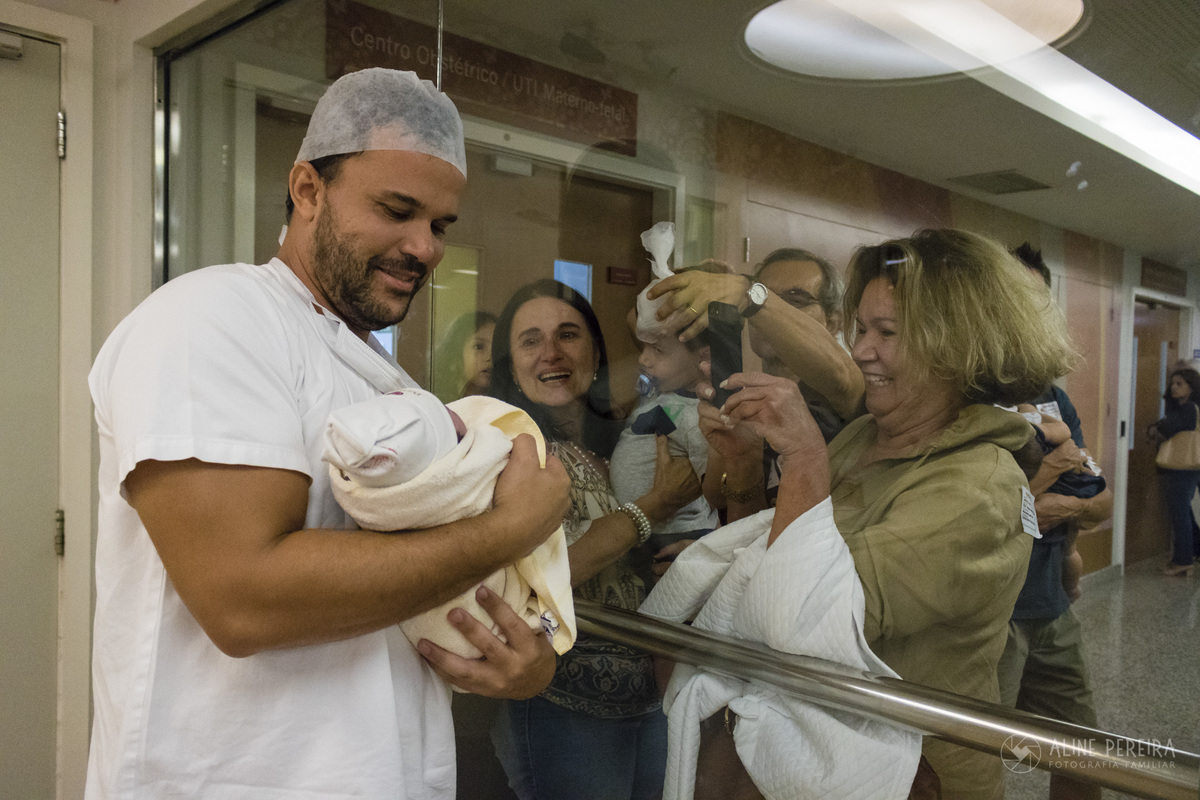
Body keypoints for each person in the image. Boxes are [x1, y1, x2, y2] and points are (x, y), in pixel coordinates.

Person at [85, 68, 569, 799]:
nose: (425, 248)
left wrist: (524, 661)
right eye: (397, 209)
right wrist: (512, 528)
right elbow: (243, 598)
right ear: (307, 190)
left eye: (439, 226)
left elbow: (421, 592)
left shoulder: (391, 384)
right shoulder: (210, 320)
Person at [699, 228, 1078, 800]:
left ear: (958, 346)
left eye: (887, 333)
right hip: (815, 756)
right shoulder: (864, 437)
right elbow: (772, 562)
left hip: (914, 776)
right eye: (860, 329)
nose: (859, 351)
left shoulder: (976, 487)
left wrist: (802, 459)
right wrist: (749, 477)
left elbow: (810, 618)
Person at [487, 278, 702, 800]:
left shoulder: (634, 435)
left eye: (568, 335)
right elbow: (545, 574)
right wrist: (650, 510)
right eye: (531, 341)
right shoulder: (507, 450)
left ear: (597, 352)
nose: (552, 354)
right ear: (510, 364)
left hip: (653, 695)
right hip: (559, 703)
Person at [323, 387, 576, 661]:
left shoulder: (356, 485)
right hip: (460, 635)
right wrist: (513, 529)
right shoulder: (473, 460)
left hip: (433, 671)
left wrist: (538, 664)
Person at [612, 262, 723, 565]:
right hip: (647, 527)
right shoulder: (664, 388)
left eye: (657, 351)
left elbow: (714, 493)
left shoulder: (695, 416)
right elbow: (634, 319)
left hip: (675, 537)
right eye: (644, 346)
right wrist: (671, 284)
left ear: (704, 359)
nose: (643, 359)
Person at [1148, 366, 1200, 575]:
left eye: (1180, 384)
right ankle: (1193, 551)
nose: (1173, 387)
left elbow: (1166, 428)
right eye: (1173, 383)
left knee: (1179, 513)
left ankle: (1182, 560)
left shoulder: (1188, 409)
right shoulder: (1191, 408)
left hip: (1182, 466)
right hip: (1190, 466)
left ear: (1192, 387)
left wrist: (1155, 429)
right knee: (1184, 511)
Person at [433, 310, 498, 402]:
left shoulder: (507, 407)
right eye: (479, 347)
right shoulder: (437, 403)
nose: (490, 357)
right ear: (455, 355)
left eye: (496, 348)